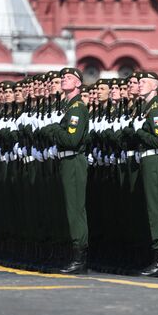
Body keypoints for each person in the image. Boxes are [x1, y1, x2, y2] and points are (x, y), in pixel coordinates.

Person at [47, 67, 89, 274]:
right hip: (65, 160)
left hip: (73, 161)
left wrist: (55, 129)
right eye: (62, 77)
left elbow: (72, 140)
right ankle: (73, 255)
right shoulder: (68, 107)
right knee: (68, 209)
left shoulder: (76, 108)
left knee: (75, 210)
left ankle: (79, 259)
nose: (64, 79)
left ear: (78, 84)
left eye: (69, 77)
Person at [133, 71, 158, 277]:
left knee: (157, 210)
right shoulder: (147, 108)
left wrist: (140, 132)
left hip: (155, 160)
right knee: (151, 210)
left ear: (155, 86)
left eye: (144, 82)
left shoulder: (156, 110)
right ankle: (154, 258)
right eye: (139, 82)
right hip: (148, 159)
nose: (140, 85)